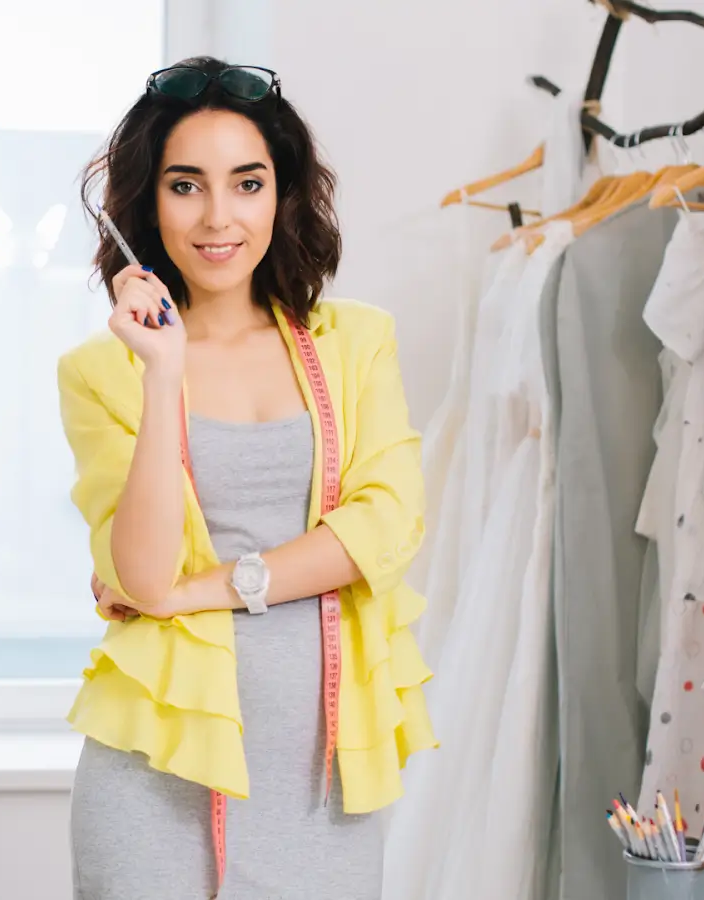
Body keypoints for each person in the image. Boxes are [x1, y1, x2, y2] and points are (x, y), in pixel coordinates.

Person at [58, 57, 436, 900]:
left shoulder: (356, 342)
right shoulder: (102, 371)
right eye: (186, 185)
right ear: (147, 204)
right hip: (153, 782)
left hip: (319, 785)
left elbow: (388, 523)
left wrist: (210, 590)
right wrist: (162, 372)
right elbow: (144, 574)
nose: (219, 217)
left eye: (248, 183)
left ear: (284, 193)